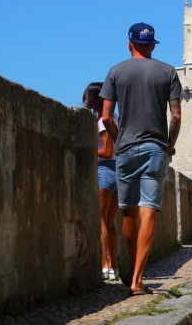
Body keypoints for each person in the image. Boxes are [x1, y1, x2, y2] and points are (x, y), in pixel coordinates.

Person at [99, 22, 182, 296]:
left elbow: (106, 116)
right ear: (152, 45)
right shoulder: (168, 72)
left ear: (129, 43)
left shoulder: (116, 72)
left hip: (126, 149)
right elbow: (177, 115)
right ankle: (137, 279)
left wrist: (120, 138)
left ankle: (130, 270)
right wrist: (169, 144)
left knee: (128, 211)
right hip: (156, 147)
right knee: (149, 211)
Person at [85, 82, 119, 282]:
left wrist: (88, 148)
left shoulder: (102, 122)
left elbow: (106, 151)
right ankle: (113, 266)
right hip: (117, 170)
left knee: (102, 221)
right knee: (111, 222)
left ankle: (104, 265)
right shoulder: (115, 117)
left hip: (105, 170)